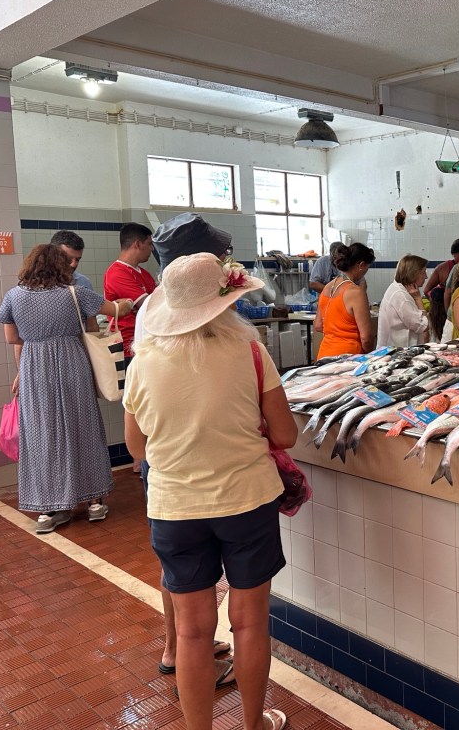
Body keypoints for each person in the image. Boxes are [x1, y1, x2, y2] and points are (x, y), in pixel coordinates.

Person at [124, 253, 294, 730]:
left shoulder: (143, 363)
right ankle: (253, 724)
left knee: (193, 631)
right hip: (247, 501)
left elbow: (137, 447)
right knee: (249, 622)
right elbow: (285, 434)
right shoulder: (251, 353)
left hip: (175, 508)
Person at [139, 212, 235, 684]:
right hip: (195, 459)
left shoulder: (154, 305)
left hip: (167, 464)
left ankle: (180, 643)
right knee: (188, 576)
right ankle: (180, 645)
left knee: (178, 568)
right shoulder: (172, 311)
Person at [0, 244, 134, 533]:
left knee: (41, 434)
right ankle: (94, 503)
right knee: (82, 427)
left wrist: (22, 371)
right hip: (73, 362)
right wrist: (130, 303)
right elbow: (114, 310)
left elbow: (13, 338)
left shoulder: (14, 296)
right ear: (62, 266)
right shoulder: (76, 293)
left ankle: (47, 509)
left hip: (35, 367)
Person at [104, 222, 157, 359]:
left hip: (146, 341)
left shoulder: (144, 273)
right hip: (127, 348)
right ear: (138, 244)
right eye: (150, 244)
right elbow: (150, 305)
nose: (152, 249)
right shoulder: (117, 273)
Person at [315, 242, 375, 358]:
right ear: (361, 265)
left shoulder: (327, 287)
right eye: (367, 267)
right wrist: (370, 356)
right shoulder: (356, 292)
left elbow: (318, 325)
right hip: (348, 359)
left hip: (324, 355)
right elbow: (366, 338)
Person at [377, 254, 430, 349]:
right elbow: (423, 325)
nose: (426, 276)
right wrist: (418, 299)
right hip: (397, 352)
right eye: (423, 272)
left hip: (395, 349)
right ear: (413, 273)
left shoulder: (397, 289)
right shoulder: (401, 296)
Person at [425, 238, 459, 340]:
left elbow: (426, 291)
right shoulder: (445, 268)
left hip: (454, 311)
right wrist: (437, 304)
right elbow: (427, 290)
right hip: (442, 311)